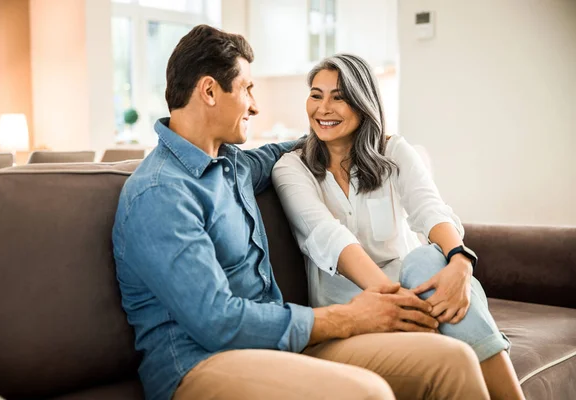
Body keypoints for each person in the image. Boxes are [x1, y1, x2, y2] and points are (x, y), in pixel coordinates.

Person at [113, 25, 491, 400]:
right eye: (247, 88)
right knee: (367, 394)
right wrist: (349, 318)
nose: (255, 105)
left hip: (277, 348)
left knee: (452, 360)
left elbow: (300, 146)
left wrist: (364, 135)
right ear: (210, 90)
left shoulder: (233, 166)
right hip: (200, 366)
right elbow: (217, 321)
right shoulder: (161, 192)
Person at [272, 53, 526, 400]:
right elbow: (330, 238)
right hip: (355, 308)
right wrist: (400, 303)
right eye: (316, 95)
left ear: (363, 104)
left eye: (339, 96)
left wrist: (461, 263)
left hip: (417, 292)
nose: (323, 108)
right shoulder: (292, 168)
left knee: (426, 260)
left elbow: (430, 209)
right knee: (438, 293)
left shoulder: (394, 151)